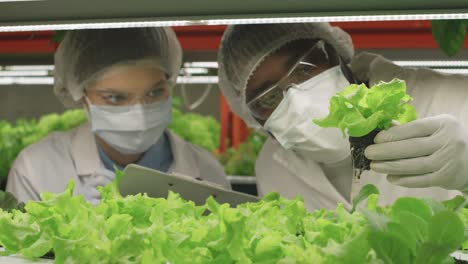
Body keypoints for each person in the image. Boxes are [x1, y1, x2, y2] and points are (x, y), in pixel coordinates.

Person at [218, 23, 468, 211]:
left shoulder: (452, 98)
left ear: (336, 55)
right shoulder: (271, 168)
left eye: (304, 69)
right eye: (269, 98)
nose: (298, 100)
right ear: (255, 119)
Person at [7, 27, 229, 204]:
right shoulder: (37, 168)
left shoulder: (206, 171)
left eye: (154, 92)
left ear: (170, 84)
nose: (139, 114)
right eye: (115, 98)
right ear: (81, 96)